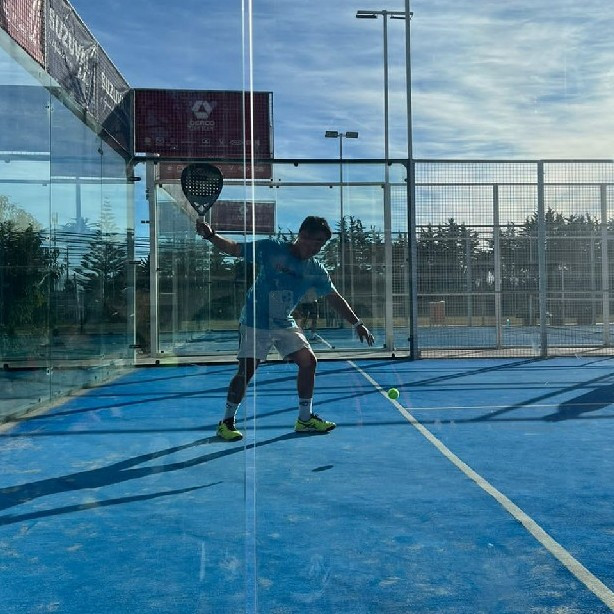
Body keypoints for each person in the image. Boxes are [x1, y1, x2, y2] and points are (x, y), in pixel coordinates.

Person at [195, 215, 375, 441]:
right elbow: (235, 249)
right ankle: (226, 422)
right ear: (302, 235)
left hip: (283, 322)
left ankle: (305, 419)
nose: (317, 248)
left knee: (309, 362)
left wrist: (357, 323)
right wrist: (211, 236)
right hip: (255, 320)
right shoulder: (271, 249)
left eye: (321, 244)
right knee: (246, 371)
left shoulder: (315, 269)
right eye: (315, 241)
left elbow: (333, 296)